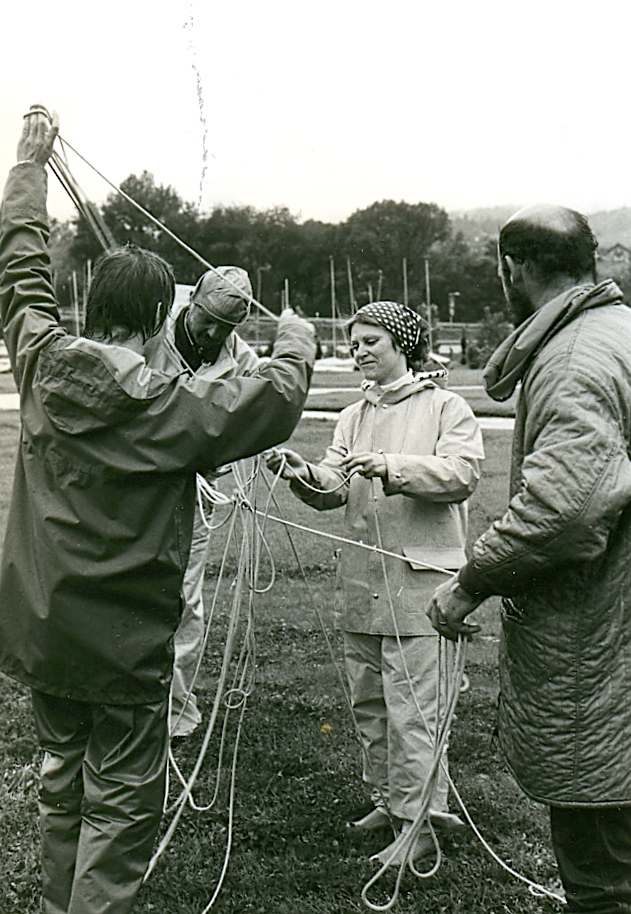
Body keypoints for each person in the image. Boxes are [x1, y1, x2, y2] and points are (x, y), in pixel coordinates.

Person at [0, 105, 316, 914]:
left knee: (62, 781)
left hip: (43, 632)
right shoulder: (170, 407)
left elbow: (20, 264)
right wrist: (297, 341)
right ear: (154, 322)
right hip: (125, 648)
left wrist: (28, 165)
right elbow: (276, 400)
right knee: (119, 801)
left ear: (87, 302)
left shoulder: (36, 359)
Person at [427, 204, 631, 913]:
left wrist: (469, 584)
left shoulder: (576, 356)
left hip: (601, 646)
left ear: (509, 267)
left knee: (604, 868)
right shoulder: (616, 332)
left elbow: (566, 509)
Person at [266, 301, 484, 865]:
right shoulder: (352, 414)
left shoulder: (446, 406)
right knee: (372, 708)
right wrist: (300, 471)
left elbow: (462, 475)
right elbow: (333, 486)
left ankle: (416, 831)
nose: (359, 351)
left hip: (420, 589)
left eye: (370, 342)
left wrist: (392, 466)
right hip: (361, 587)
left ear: (403, 346)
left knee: (414, 713)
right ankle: (390, 803)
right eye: (354, 343)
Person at [147, 265, 262, 737]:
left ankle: (172, 711)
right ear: (191, 300)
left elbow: (249, 424)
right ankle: (122, 701)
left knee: (184, 601)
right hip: (138, 488)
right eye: (207, 319)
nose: (213, 333)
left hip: (194, 499)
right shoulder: (151, 326)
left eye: (226, 326)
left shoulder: (244, 362)